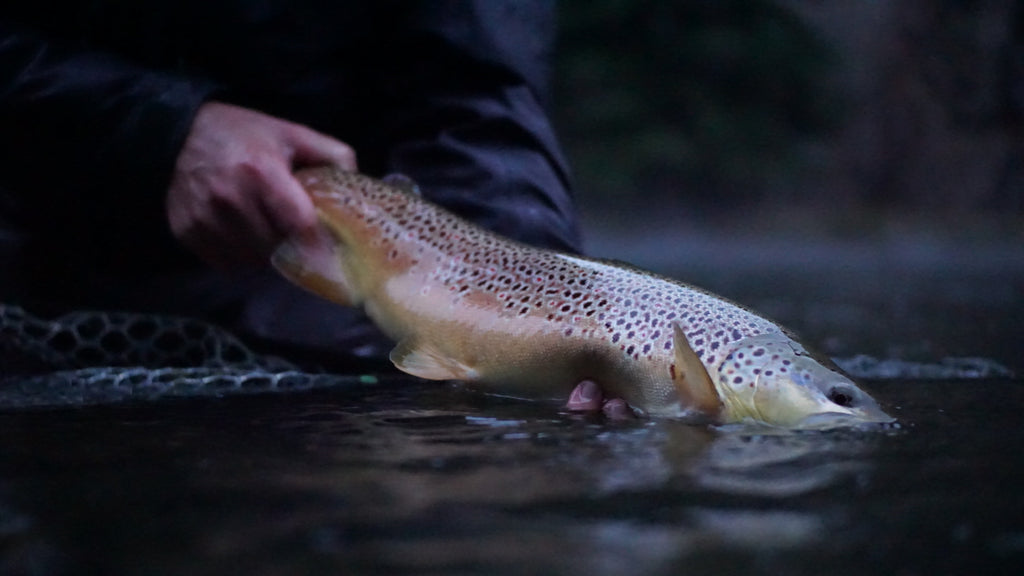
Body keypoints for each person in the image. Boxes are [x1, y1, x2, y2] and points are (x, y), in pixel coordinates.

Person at [0, 1, 630, 416]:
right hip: (43, 231)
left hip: (321, 259)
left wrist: (536, 306)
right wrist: (165, 128)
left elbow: (474, 90)